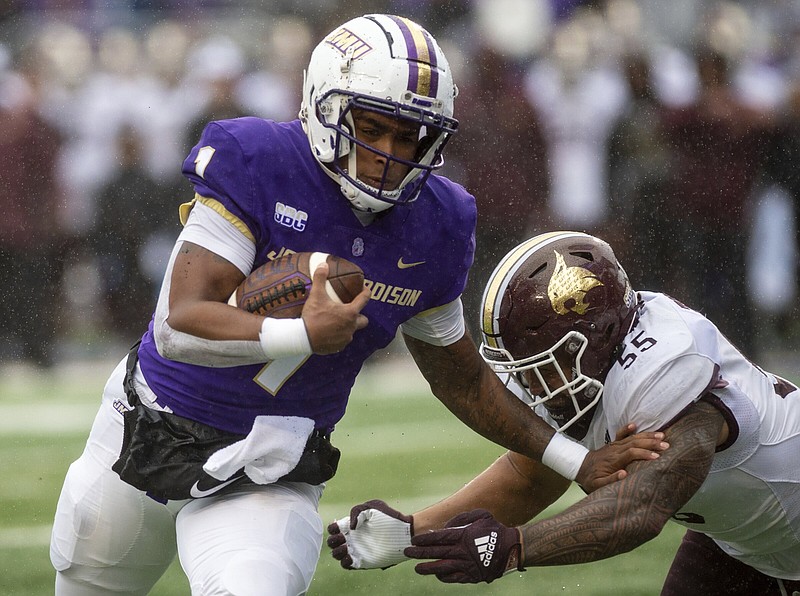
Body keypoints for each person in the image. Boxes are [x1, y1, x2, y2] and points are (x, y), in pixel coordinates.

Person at [48, 17, 663, 596]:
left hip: (270, 471)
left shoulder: (439, 224)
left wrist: (576, 460)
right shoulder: (260, 161)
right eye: (370, 128)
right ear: (324, 107)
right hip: (146, 434)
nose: (389, 152)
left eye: (409, 135)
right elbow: (178, 326)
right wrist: (300, 336)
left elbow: (467, 383)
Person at [328, 231, 800, 595]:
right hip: (750, 544)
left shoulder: (668, 370)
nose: (530, 385)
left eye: (541, 368)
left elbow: (639, 507)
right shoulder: (597, 368)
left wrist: (513, 548)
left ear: (596, 337)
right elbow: (533, 476)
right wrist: (410, 532)